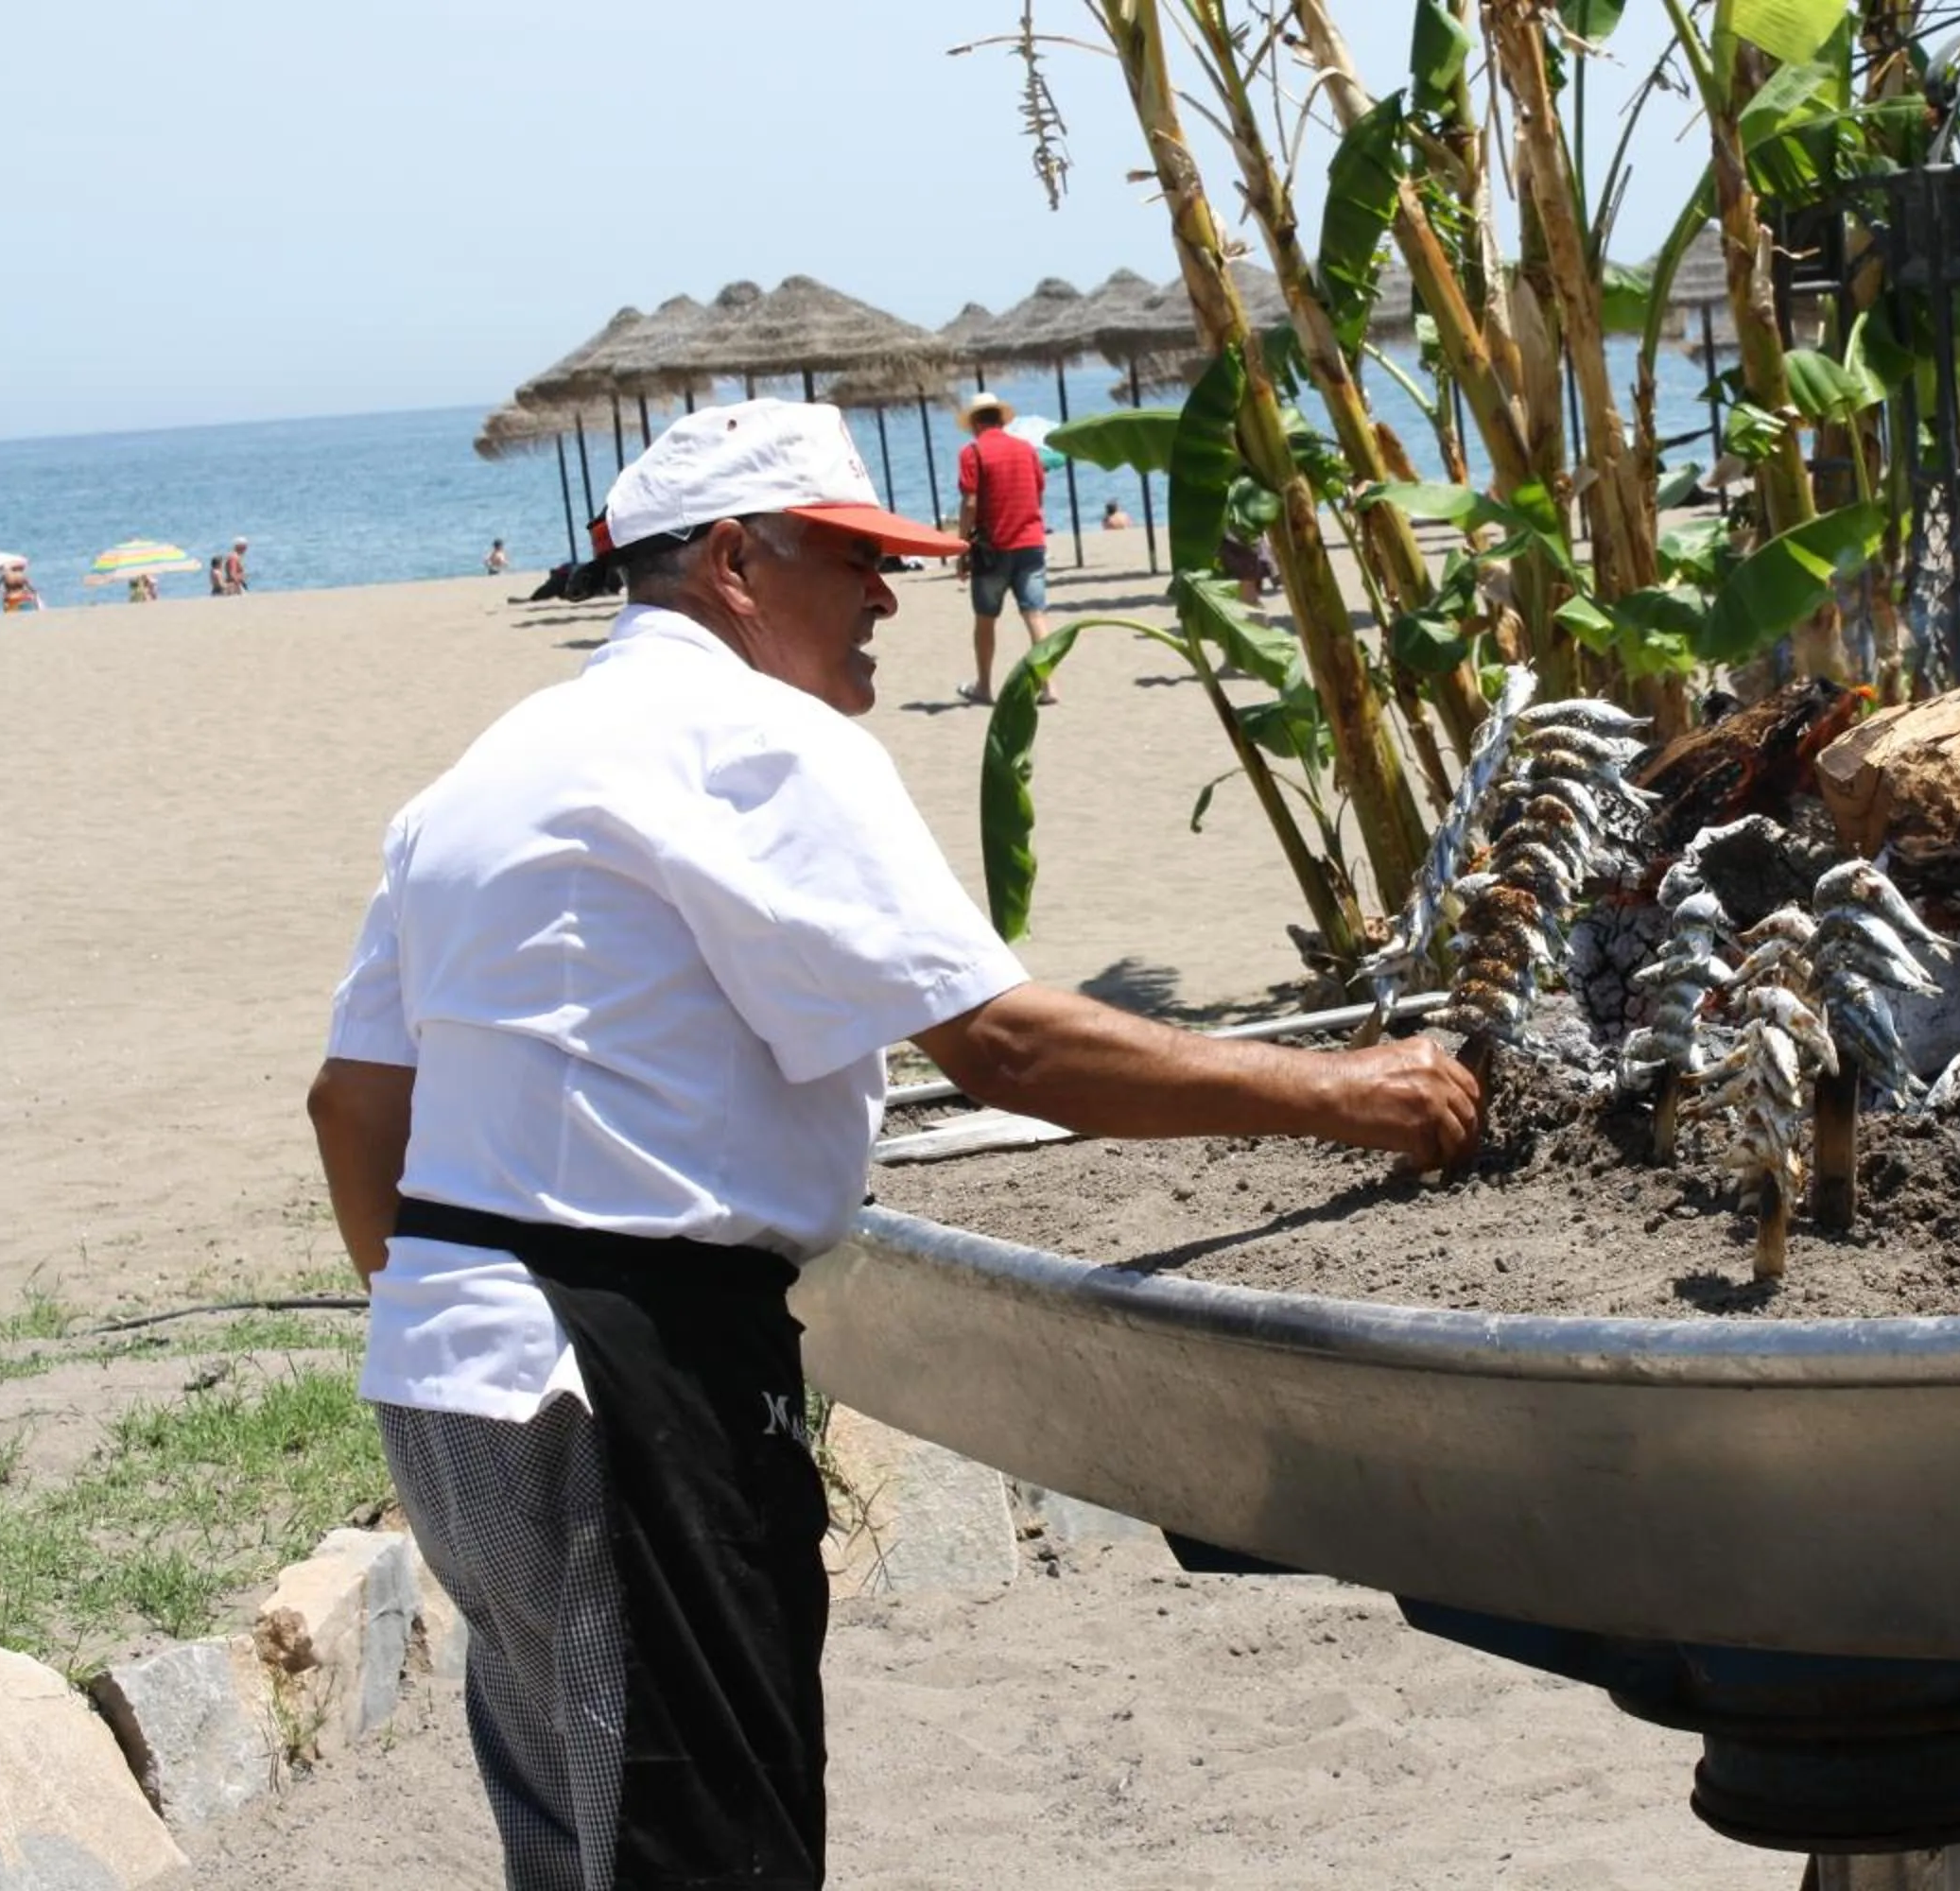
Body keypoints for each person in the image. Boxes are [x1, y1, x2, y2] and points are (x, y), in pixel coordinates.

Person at [306, 398, 1475, 1891]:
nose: (889, 594)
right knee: (703, 1843)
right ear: (735, 562)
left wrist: (443, 1295)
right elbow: (1007, 1047)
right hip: (614, 1365)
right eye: (857, 558)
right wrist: (1350, 1090)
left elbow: (353, 1109)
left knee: (579, 1830)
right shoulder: (759, 741)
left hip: (450, 1370)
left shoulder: (481, 770)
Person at [953, 391, 1052, 706]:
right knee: (1035, 615)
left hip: (993, 547)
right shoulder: (1026, 450)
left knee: (985, 618)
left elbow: (970, 502)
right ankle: (1049, 686)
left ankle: (984, 686)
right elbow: (1038, 494)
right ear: (1000, 420)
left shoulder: (973, 453)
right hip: (1031, 542)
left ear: (974, 424)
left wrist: (962, 545)